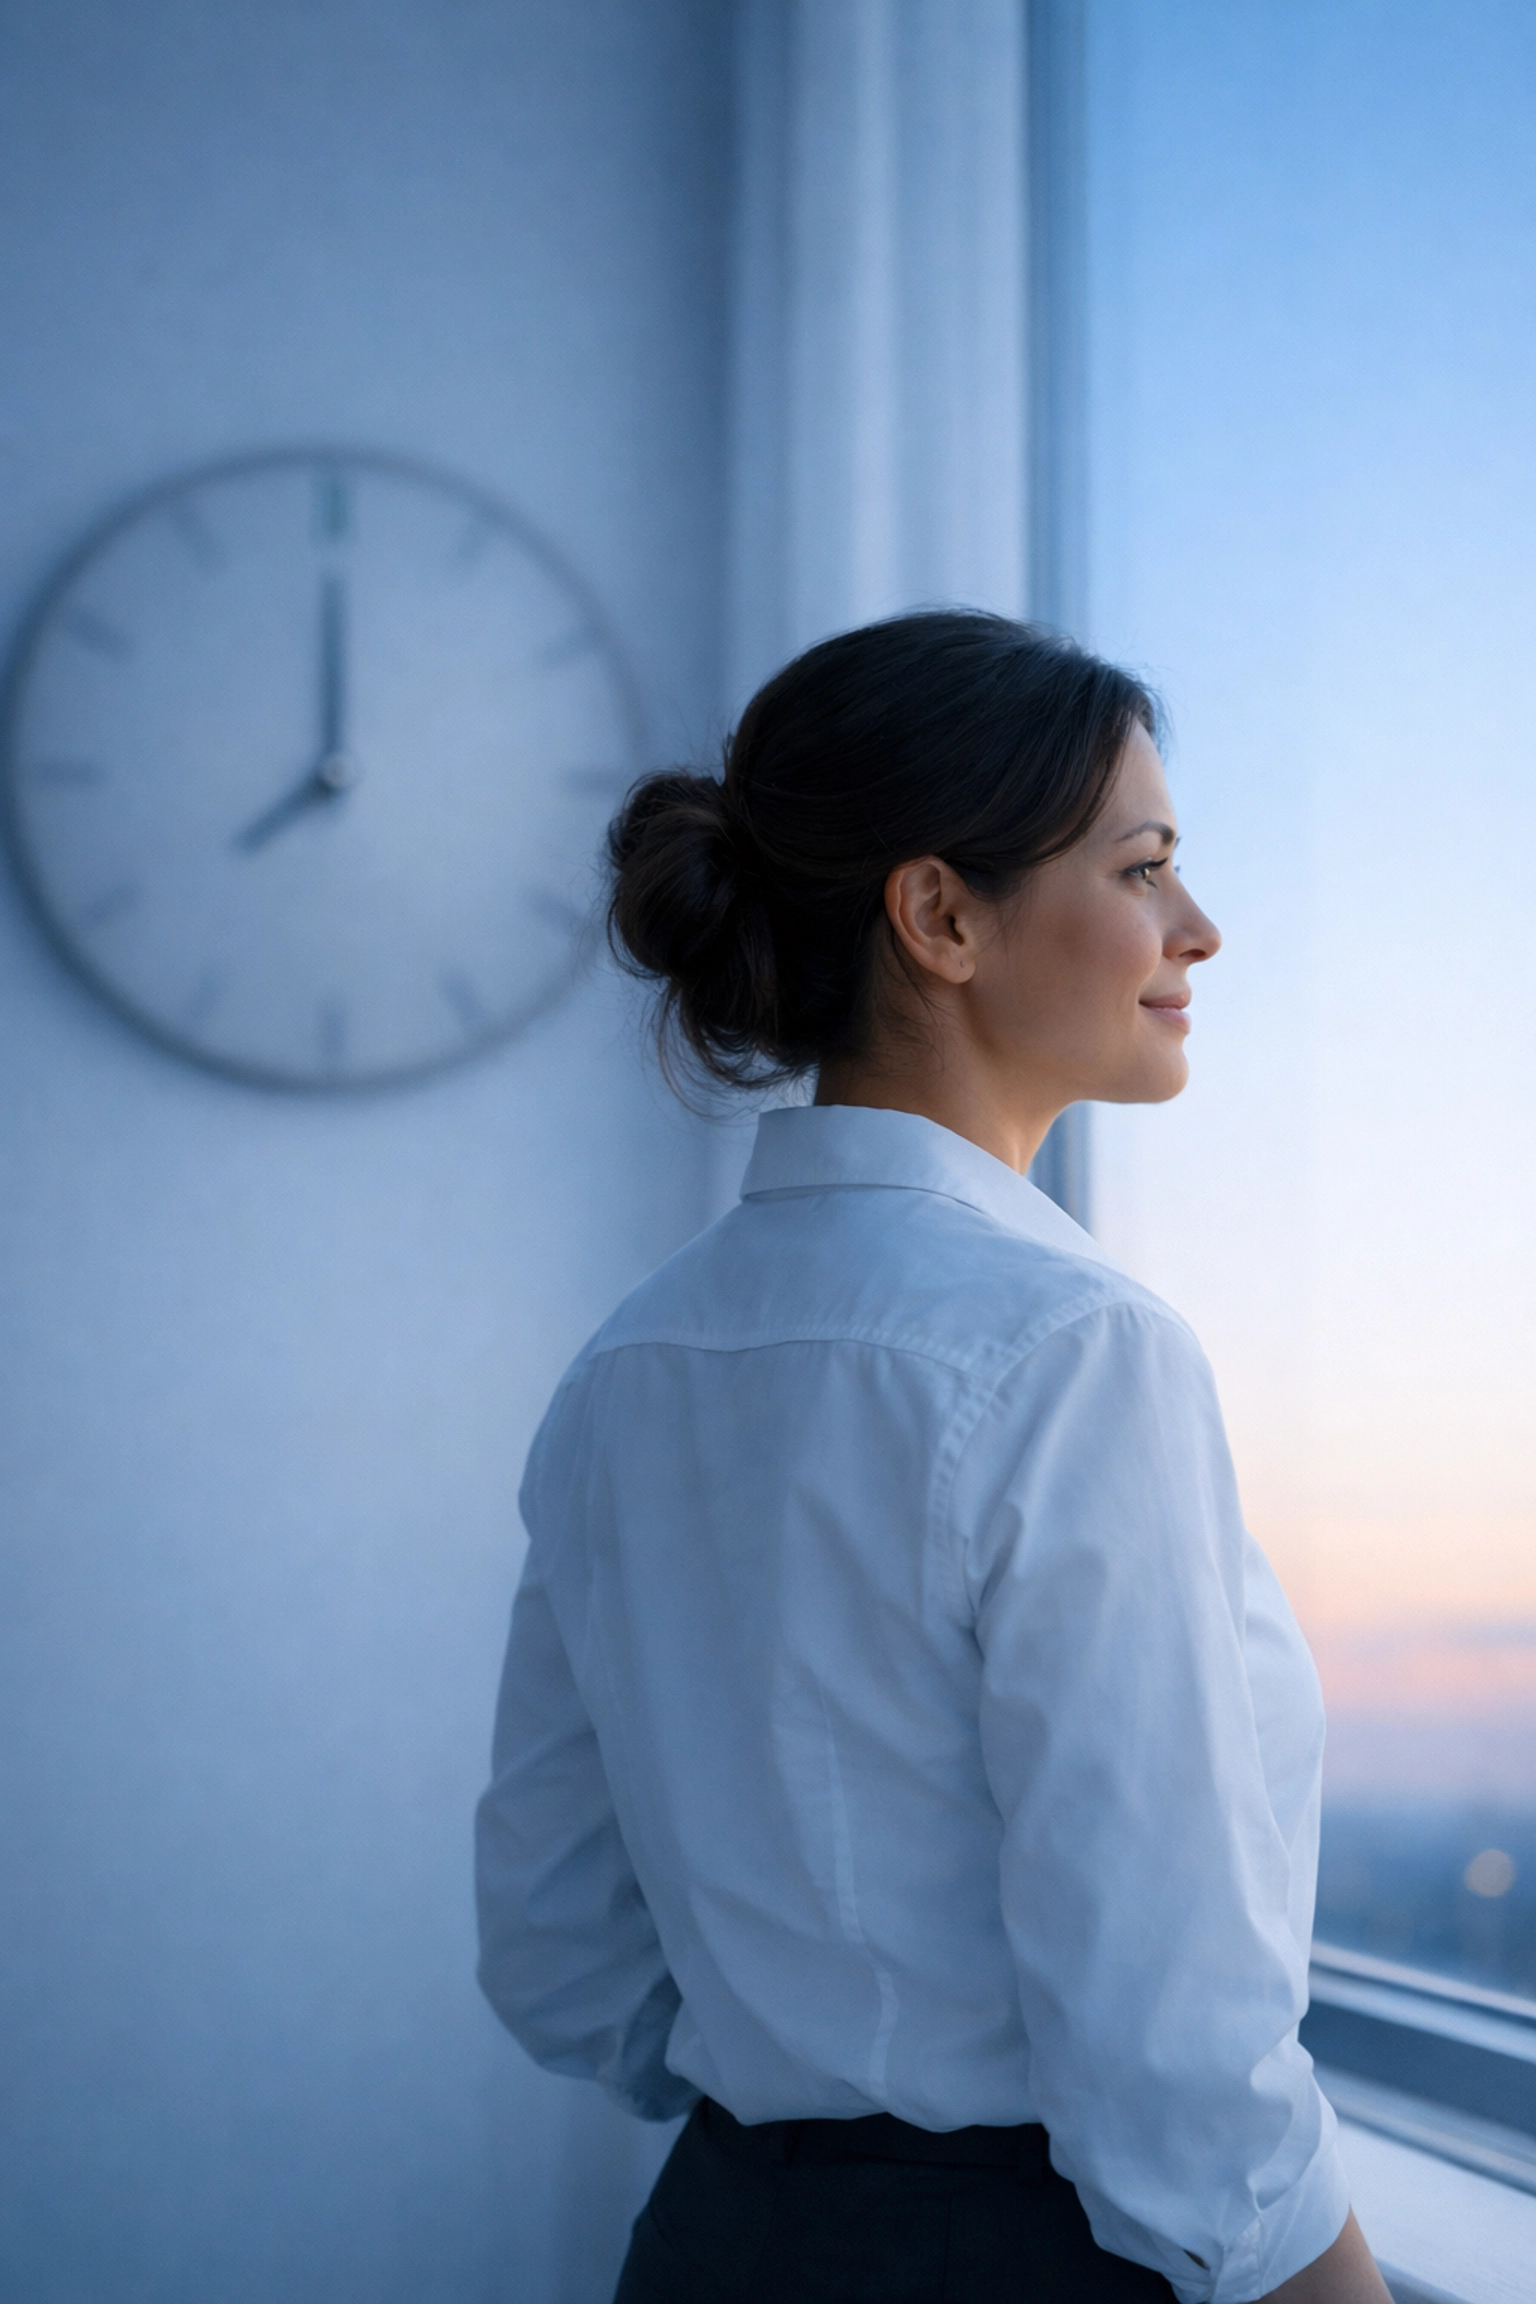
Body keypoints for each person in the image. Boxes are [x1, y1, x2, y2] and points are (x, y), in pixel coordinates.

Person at [475, 613, 1391, 2304]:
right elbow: (1175, 2044)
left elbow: (560, 1956)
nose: (1198, 927)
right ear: (941, 915)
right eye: (1144, 866)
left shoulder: (630, 1364)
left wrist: (814, 2085)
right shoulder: (1073, 1348)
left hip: (717, 2242)